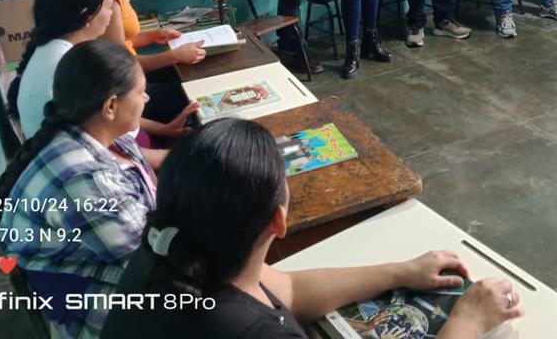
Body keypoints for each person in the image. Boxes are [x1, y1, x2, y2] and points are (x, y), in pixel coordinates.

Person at [100, 118, 525, 337]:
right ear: (278, 220)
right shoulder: (249, 330)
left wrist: (401, 272)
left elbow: (290, 290)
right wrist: (468, 321)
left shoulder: (170, 252)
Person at [0, 40, 156, 338]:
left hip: (106, 262)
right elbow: (152, 266)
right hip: (93, 306)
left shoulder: (99, 134)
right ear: (111, 106)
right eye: (140, 91)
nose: (146, 97)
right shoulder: (85, 180)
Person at [6, 0, 189, 160]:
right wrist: (172, 158)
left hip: (127, 147)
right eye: (109, 8)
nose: (111, 15)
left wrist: (163, 129)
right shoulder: (71, 68)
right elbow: (108, 152)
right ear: (86, 15)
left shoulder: (56, 50)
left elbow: (117, 112)